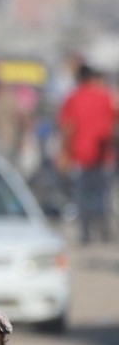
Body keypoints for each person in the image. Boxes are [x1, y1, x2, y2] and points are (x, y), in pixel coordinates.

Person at [56, 62, 115, 244]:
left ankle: (86, 234)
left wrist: (64, 152)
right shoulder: (105, 96)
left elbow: (66, 127)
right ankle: (104, 230)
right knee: (101, 194)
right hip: (102, 155)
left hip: (80, 155)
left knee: (82, 196)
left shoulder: (72, 98)